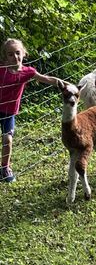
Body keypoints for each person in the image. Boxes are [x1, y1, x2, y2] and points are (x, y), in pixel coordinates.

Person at [0, 38, 60, 183]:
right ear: (4, 58)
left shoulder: (27, 72)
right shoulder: (1, 71)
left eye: (17, 53)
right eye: (10, 54)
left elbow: (45, 78)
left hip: (9, 112)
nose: (15, 57)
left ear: (24, 53)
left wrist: (62, 83)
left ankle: (5, 168)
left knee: (7, 139)